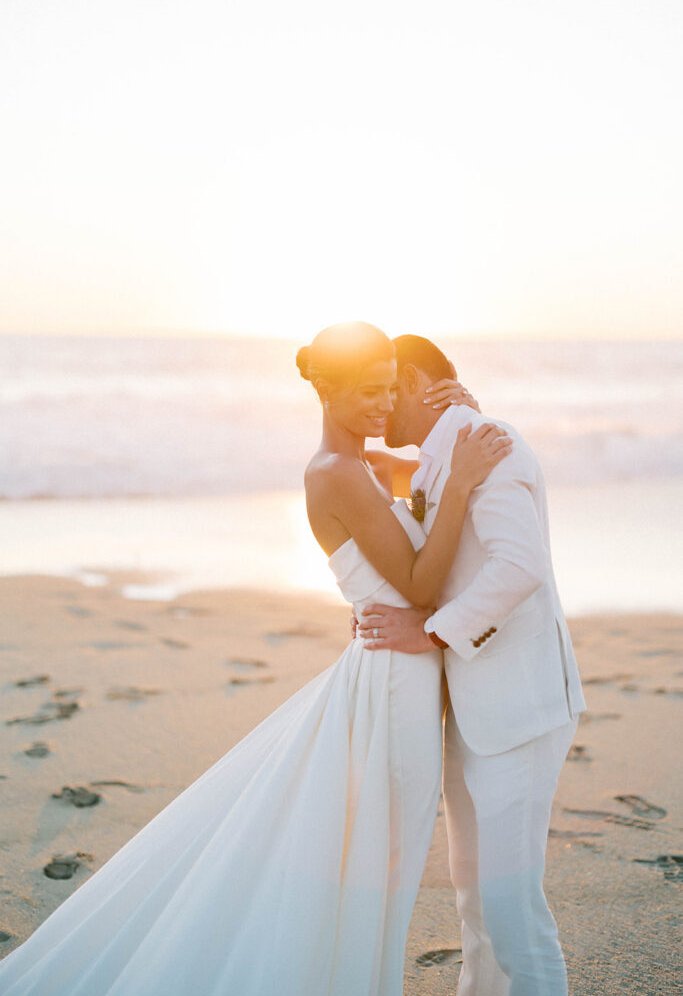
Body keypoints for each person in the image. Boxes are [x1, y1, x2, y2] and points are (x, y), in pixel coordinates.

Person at [0, 322, 511, 996]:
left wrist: (460, 413)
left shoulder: (362, 467)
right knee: (380, 857)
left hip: (399, 669)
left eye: (390, 390)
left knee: (379, 854)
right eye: (367, 392)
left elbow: (440, 479)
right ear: (324, 390)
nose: (384, 406)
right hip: (392, 680)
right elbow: (418, 582)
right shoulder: (335, 473)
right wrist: (463, 484)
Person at [358, 334, 587, 996]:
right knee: (476, 904)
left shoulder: (486, 441)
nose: (377, 408)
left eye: (384, 390)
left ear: (415, 384)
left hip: (516, 709)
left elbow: (519, 568)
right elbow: (363, 467)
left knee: (512, 913)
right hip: (476, 707)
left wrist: (428, 632)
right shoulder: (445, 454)